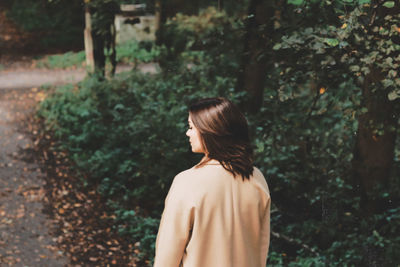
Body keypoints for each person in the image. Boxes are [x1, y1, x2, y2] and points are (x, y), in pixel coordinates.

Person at [154, 97, 271, 267]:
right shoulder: (257, 178)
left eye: (191, 127)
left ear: (210, 131)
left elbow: (168, 254)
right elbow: (261, 247)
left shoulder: (187, 182)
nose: (188, 133)